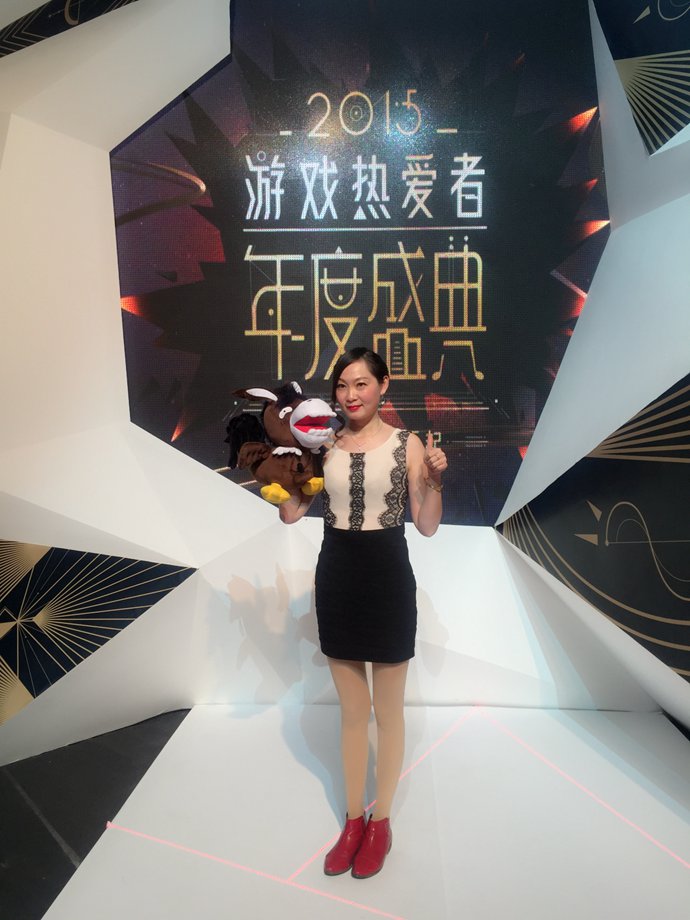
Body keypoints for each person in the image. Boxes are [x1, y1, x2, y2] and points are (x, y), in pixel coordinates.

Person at [279, 346, 447, 879]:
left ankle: (382, 822)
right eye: (342, 386)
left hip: (388, 581)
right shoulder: (322, 444)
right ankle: (353, 821)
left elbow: (426, 525)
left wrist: (434, 480)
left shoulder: (407, 443)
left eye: (361, 384)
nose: (350, 395)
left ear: (383, 385)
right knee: (353, 712)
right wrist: (277, 474)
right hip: (338, 579)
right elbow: (291, 513)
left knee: (388, 712)